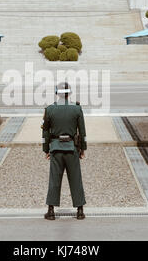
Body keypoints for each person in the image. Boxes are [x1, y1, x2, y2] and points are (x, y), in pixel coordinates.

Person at [42, 82, 87, 220]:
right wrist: (82, 148)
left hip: (56, 148)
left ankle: (51, 211)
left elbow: (45, 133)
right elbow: (82, 132)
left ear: (57, 93)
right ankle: (80, 211)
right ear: (70, 93)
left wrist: (46, 150)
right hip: (71, 148)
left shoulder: (49, 109)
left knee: (54, 179)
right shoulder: (77, 109)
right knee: (75, 179)